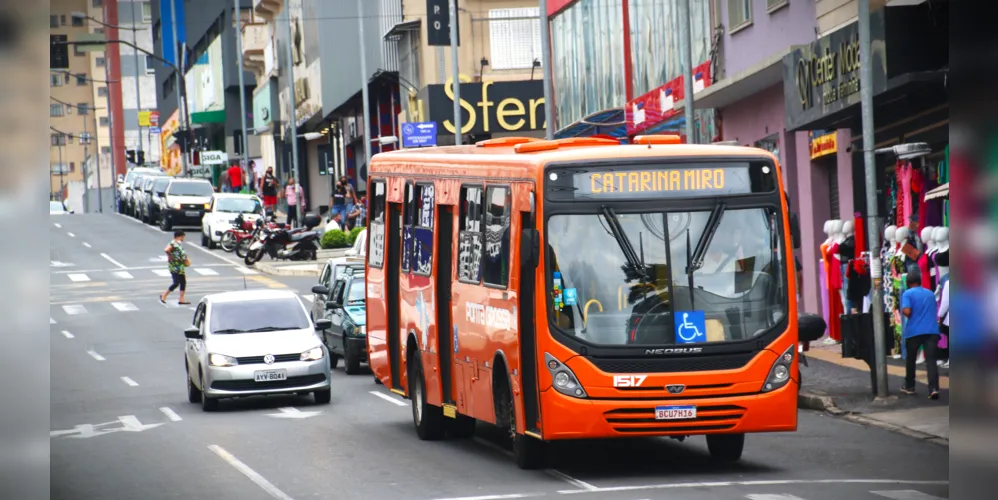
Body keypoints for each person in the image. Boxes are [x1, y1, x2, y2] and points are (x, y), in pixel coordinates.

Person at [900, 271, 940, 399]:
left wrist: (905, 311)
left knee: (911, 360)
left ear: (907, 283)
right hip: (932, 331)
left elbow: (907, 311)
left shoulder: (907, 293)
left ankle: (910, 386)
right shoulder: (930, 293)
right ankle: (933, 389)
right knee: (931, 361)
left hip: (914, 331)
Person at [160, 229, 191, 305]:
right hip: (175, 266)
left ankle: (181, 299)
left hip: (180, 266)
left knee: (183, 282)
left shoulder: (178, 244)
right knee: (176, 283)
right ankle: (164, 295)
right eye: (182, 237)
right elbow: (167, 250)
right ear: (178, 237)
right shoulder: (173, 243)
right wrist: (171, 256)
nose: (183, 239)